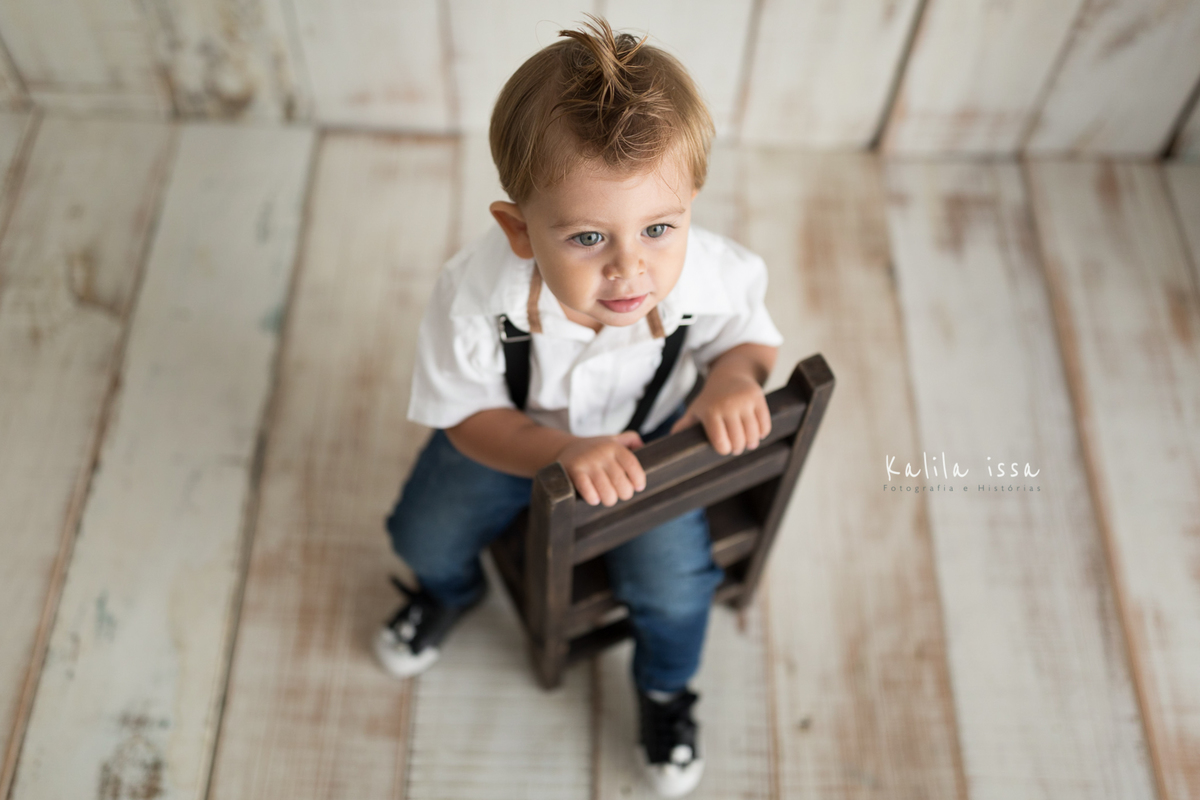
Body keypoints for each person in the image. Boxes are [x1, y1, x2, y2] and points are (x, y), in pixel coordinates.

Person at [375, 15, 782, 798]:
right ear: (520, 230)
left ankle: (666, 690)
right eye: (590, 238)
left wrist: (734, 379)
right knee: (421, 531)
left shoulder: (708, 273)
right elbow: (466, 417)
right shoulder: (477, 300)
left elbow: (751, 340)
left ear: (691, 203)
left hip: (650, 445)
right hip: (513, 440)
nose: (633, 268)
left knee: (674, 588)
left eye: (660, 227)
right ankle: (446, 592)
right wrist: (556, 455)